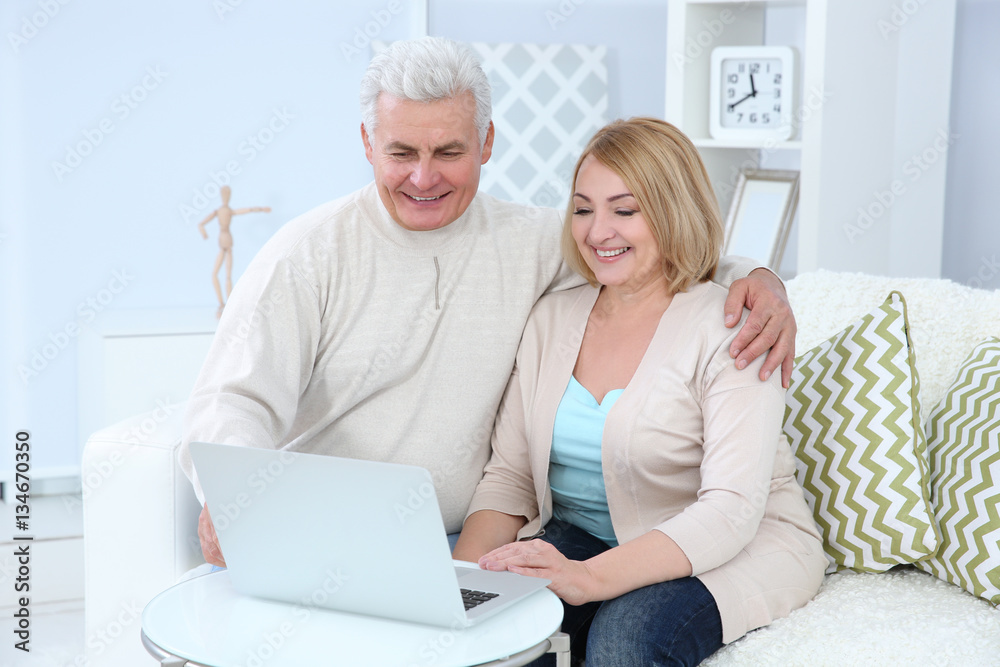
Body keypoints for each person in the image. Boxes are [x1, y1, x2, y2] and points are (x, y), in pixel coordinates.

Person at [180, 37, 799, 568]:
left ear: (487, 143)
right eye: (401, 153)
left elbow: (651, 251)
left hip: (464, 539)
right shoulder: (307, 254)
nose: (424, 179)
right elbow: (232, 400)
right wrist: (236, 494)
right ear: (368, 144)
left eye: (448, 152)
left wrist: (762, 277)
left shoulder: (534, 242)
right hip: (334, 537)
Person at [452, 118, 826, 666]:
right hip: (589, 536)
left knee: (624, 641)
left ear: (673, 211)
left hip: (732, 544)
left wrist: (589, 579)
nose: (598, 230)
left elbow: (729, 510)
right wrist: (460, 586)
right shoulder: (551, 319)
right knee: (494, 629)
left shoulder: (733, 326)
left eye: (624, 211)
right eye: (583, 209)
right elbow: (509, 478)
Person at [196, 185, 271, 312]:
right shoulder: (223, 211)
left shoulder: (221, 211)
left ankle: (225, 303)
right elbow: (247, 210)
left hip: (225, 240)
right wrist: (203, 231)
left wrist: (261, 209)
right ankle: (222, 302)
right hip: (225, 240)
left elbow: (247, 210)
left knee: (224, 274)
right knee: (222, 274)